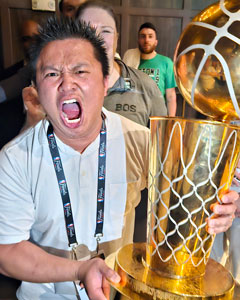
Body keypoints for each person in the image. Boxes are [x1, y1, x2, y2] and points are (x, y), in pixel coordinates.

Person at [0, 16, 238, 300]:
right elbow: (7, 250)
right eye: (52, 74)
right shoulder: (15, 158)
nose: (67, 84)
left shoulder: (140, 141)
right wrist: (78, 270)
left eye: (80, 71)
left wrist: (224, 206)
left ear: (105, 82)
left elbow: (192, 192)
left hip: (120, 290)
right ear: (37, 88)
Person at [76, 2, 167, 126]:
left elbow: (163, 142)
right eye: (87, 31)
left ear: (116, 38)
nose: (97, 37)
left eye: (106, 31)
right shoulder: (61, 88)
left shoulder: (146, 87)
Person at [123, 22, 177, 117]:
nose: (146, 40)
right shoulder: (129, 60)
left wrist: (170, 121)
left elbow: (171, 96)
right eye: (143, 36)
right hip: (135, 114)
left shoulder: (166, 62)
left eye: (150, 36)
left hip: (157, 114)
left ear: (156, 41)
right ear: (138, 40)